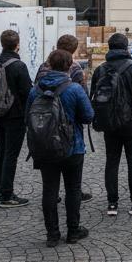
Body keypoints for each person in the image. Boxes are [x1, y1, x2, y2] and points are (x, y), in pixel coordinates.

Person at [27, 48, 94, 246]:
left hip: (45, 146)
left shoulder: (35, 90)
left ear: (49, 65)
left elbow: (27, 117)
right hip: (72, 146)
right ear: (69, 66)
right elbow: (88, 116)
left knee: (49, 189)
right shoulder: (74, 89)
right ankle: (73, 231)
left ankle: (52, 234)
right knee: (73, 189)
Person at [90, 33, 132, 217]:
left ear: (109, 48)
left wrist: (99, 119)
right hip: (131, 122)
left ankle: (112, 203)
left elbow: (93, 96)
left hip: (109, 123)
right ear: (126, 48)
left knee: (112, 161)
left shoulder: (100, 70)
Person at [36, 33, 92, 201]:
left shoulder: (43, 67)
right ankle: (74, 195)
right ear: (73, 50)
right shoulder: (75, 68)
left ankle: (53, 195)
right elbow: (84, 100)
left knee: (49, 172)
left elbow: (35, 91)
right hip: (69, 124)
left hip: (45, 122)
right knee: (72, 170)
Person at [0, 29, 33, 206]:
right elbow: (27, 92)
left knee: (1, 150)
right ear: (17, 45)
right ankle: (7, 194)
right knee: (11, 154)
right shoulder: (18, 65)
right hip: (15, 115)